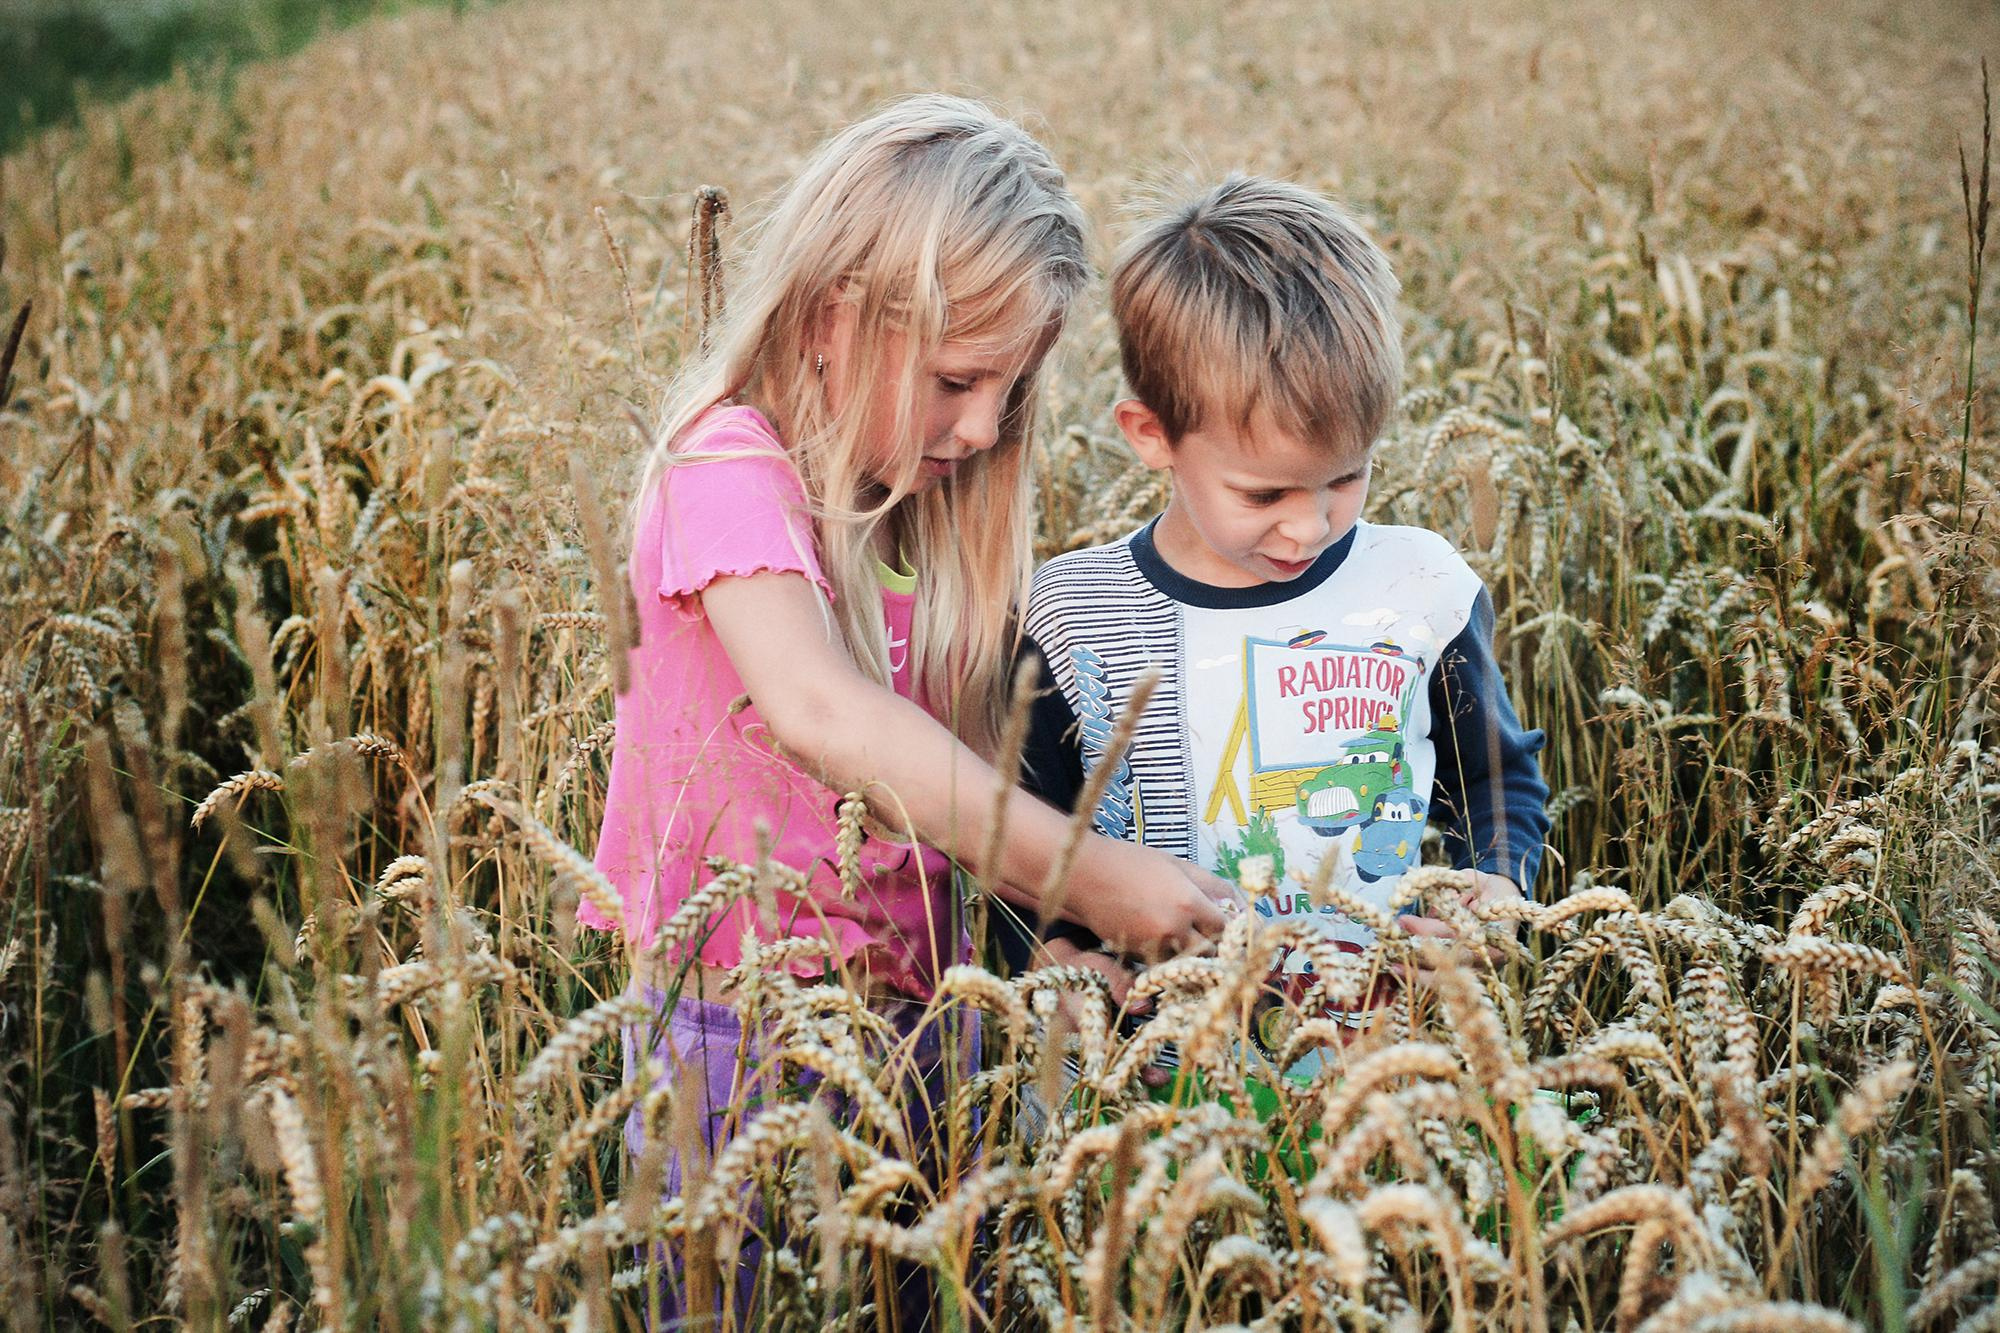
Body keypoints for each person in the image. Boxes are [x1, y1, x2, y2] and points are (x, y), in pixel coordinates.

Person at [579, 96, 1236, 1328]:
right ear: (834, 316)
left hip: (935, 1022)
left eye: (1011, 386)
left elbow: (971, 767)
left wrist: (1048, 939)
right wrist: (1091, 875)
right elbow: (825, 713)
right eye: (953, 379)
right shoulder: (724, 467)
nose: (985, 426)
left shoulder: (923, 509)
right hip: (731, 1035)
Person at [997, 175, 1551, 1081]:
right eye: (1264, 493)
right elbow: (1021, 829)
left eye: (1347, 476)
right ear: (1150, 433)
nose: (1313, 524)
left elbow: (1494, 775)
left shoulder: (1421, 588)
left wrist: (1495, 882)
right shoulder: (1073, 614)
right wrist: (1049, 955)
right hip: (1142, 1074)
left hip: (1376, 1060)